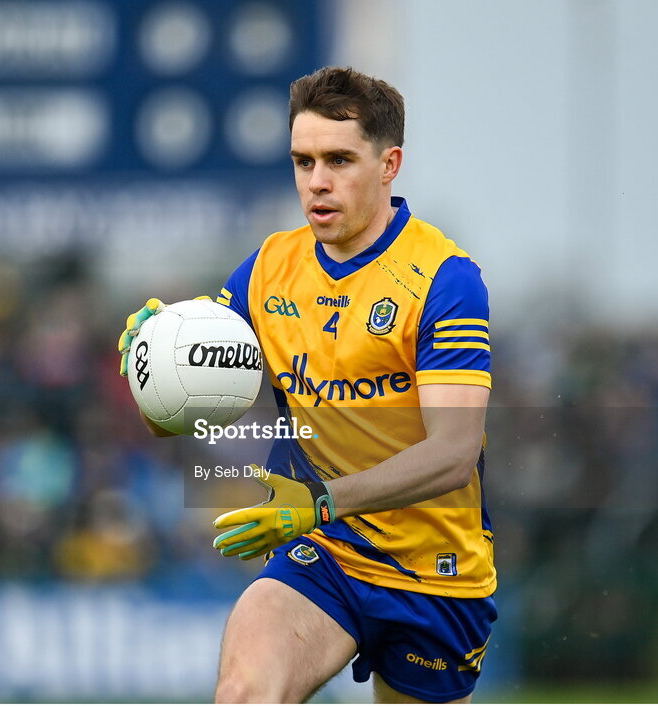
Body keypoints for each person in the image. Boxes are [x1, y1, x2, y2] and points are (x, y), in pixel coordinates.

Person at [119, 66, 495, 704]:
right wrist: (150, 365)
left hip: (436, 576)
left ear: (389, 164)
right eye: (303, 161)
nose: (317, 182)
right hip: (327, 552)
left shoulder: (444, 278)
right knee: (244, 693)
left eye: (339, 160)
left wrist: (320, 499)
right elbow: (177, 415)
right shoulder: (268, 269)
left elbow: (455, 452)